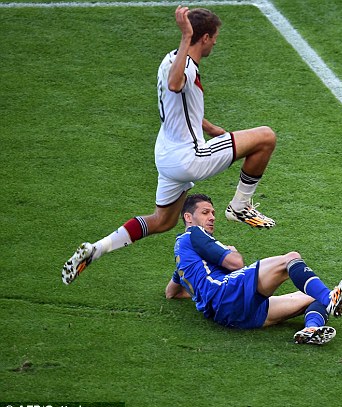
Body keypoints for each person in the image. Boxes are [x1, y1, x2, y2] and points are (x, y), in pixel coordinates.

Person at [62, 6, 276, 285]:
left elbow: (180, 104)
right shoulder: (184, 64)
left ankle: (97, 249)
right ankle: (240, 205)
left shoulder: (171, 59)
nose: (216, 42)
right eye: (215, 37)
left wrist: (210, 128)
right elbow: (176, 85)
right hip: (189, 157)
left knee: (162, 221)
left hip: (166, 156)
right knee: (266, 137)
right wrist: (186, 36)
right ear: (205, 38)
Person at [165, 193, 342, 344]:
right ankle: (330, 298)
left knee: (312, 297)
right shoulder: (194, 234)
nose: (212, 217)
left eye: (213, 213)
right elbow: (236, 263)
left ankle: (310, 329)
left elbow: (171, 293)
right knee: (291, 258)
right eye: (205, 212)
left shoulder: (184, 258)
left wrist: (200, 293)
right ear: (188, 218)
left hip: (229, 316)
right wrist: (230, 250)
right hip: (225, 294)